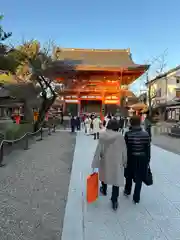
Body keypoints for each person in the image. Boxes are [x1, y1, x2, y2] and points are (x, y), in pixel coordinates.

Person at [91, 119, 127, 210]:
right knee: (116, 179)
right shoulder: (120, 136)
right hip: (117, 160)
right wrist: (125, 161)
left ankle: (104, 189)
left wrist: (95, 161)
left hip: (105, 159)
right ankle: (114, 200)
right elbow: (124, 150)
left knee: (104, 174)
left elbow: (99, 148)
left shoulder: (103, 135)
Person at [124, 116, 151, 204]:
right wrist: (147, 160)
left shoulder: (128, 134)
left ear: (131, 123)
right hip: (142, 158)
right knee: (139, 178)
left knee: (129, 175)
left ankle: (127, 190)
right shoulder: (146, 134)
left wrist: (124, 160)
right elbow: (148, 149)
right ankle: (136, 198)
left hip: (131, 158)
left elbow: (126, 148)